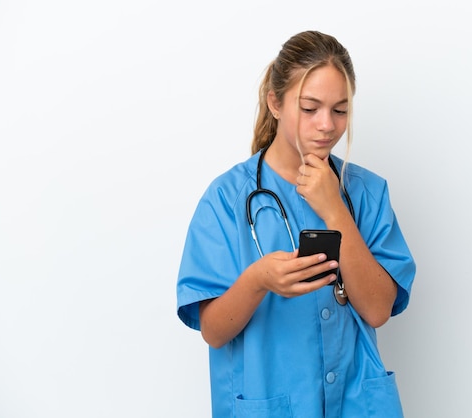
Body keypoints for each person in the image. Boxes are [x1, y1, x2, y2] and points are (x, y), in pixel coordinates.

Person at [176, 30, 416, 418]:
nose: (327, 125)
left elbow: (377, 310)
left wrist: (335, 210)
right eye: (310, 108)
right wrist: (257, 280)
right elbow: (213, 332)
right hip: (270, 405)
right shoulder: (226, 200)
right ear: (275, 102)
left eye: (340, 110)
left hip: (357, 406)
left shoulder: (367, 192)